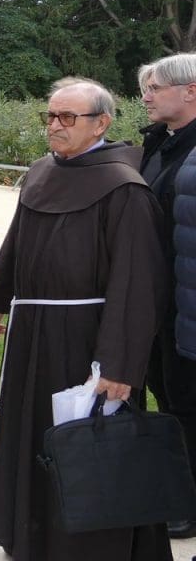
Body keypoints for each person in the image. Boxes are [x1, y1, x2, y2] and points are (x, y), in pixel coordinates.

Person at [0, 77, 171, 560]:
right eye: (51, 116)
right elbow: (17, 241)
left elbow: (137, 285)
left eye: (67, 117)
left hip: (87, 340)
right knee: (31, 431)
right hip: (32, 333)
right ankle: (31, 535)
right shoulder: (42, 172)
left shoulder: (124, 188)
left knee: (85, 440)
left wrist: (119, 365)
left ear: (101, 123)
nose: (54, 126)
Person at [137, 55, 196, 538]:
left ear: (191, 91)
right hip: (161, 302)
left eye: (155, 88)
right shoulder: (160, 143)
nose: (146, 96)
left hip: (188, 305)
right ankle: (175, 492)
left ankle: (189, 506)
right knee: (168, 397)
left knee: (188, 404)